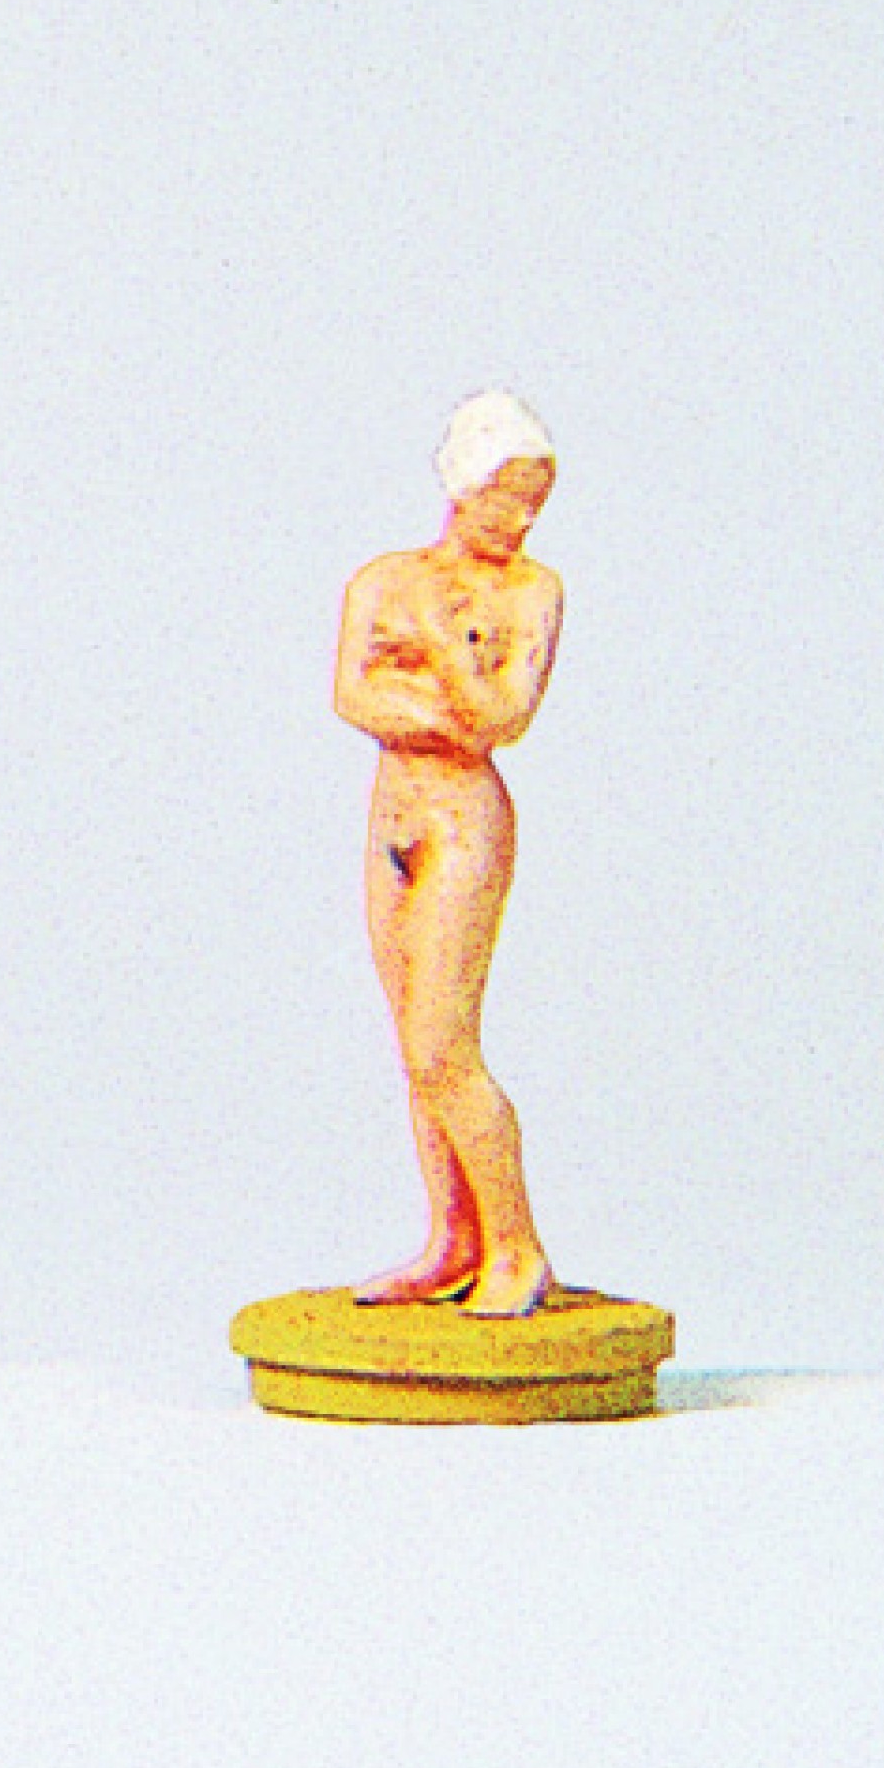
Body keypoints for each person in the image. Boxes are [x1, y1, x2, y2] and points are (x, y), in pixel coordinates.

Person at [332, 392, 565, 1317]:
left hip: (465, 819)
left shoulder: (531, 593)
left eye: (535, 502)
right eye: (508, 496)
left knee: (443, 1047)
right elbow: (354, 696)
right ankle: (453, 1239)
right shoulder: (383, 577)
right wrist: (436, 702)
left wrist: (437, 649)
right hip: (395, 815)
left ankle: (518, 1246)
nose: (523, 519)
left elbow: (500, 719)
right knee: (412, 1047)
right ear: (466, 483)